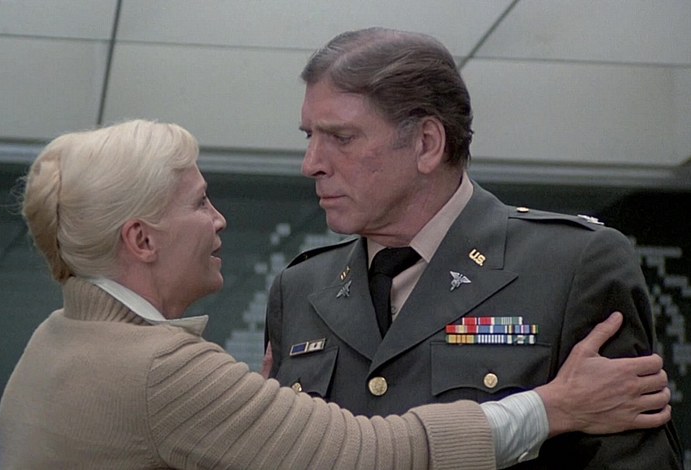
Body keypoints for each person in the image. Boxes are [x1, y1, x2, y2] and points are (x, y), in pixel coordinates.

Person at [0, 119, 671, 470]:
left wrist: (248, 434)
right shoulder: (164, 370)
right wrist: (553, 407)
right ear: (142, 240)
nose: (219, 220)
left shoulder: (51, 343)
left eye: (341, 137)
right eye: (199, 203)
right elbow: (372, 456)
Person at [264, 27, 684, 468]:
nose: (311, 164)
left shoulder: (572, 266)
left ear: (427, 144)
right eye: (309, 136)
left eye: (341, 137)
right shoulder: (300, 289)